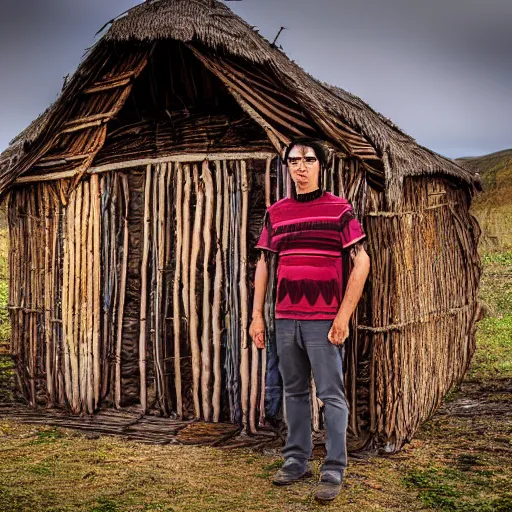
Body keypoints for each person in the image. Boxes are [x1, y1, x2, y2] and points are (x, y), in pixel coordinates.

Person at [249, 139, 371, 503]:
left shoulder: (339, 210)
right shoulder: (277, 213)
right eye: (294, 161)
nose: (301, 167)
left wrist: (343, 316)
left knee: (331, 394)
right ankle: (296, 459)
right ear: (287, 167)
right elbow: (264, 264)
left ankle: (334, 467)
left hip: (324, 321)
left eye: (309, 160)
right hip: (286, 318)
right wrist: (257, 316)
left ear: (321, 165)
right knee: (294, 391)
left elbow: (361, 261)